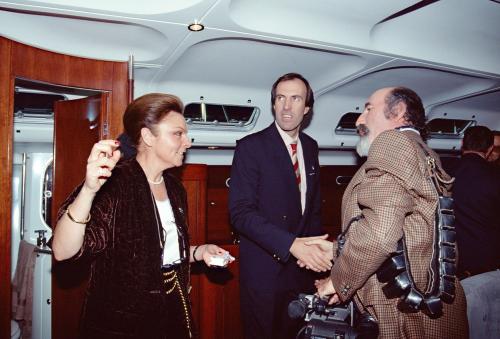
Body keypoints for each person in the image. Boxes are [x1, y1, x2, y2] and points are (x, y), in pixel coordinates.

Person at [51, 93, 233, 339]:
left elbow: (159, 253)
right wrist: (89, 190)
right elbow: (63, 251)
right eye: (178, 134)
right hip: (123, 324)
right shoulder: (115, 184)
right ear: (148, 136)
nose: (187, 142)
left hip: (173, 315)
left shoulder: (175, 189)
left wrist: (200, 252)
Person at [310, 87, 468, 338]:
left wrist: (338, 281)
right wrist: (335, 249)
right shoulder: (424, 151)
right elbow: (412, 232)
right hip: (430, 310)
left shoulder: (392, 142)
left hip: (400, 311)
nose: (360, 119)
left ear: (399, 112)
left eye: (368, 108)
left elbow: (381, 233)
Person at [228, 73, 332, 339]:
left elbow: (313, 211)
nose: (287, 106)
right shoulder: (251, 147)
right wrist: (291, 245)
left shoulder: (310, 147)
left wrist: (320, 264)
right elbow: (240, 214)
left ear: (306, 108)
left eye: (295, 98)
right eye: (280, 98)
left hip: (301, 272)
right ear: (273, 104)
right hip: (265, 273)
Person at [454, 126, 500, 279]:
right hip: (487, 263)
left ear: (462, 143)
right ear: (490, 148)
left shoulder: (445, 171)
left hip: (452, 261)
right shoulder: (495, 177)